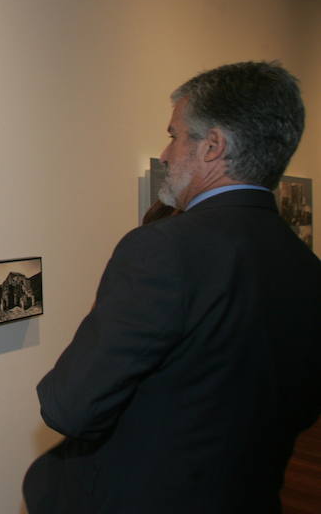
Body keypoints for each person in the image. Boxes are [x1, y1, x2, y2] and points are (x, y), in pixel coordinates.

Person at [23, 61, 321, 514]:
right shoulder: (305, 264)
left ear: (213, 146)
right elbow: (299, 407)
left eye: (174, 135)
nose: (165, 154)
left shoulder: (162, 249)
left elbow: (69, 406)